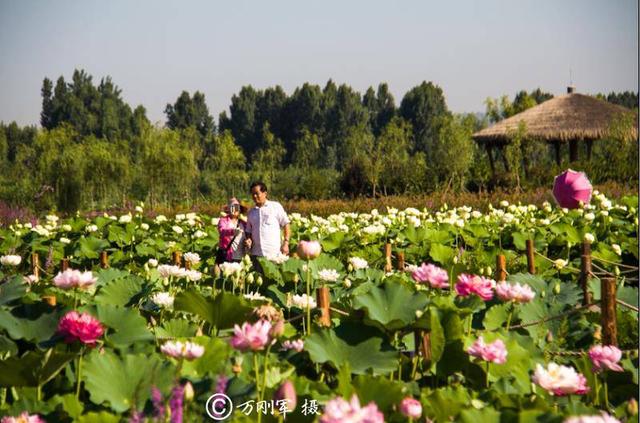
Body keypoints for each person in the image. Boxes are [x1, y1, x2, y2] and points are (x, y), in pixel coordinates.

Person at [244, 182, 291, 263]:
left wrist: (286, 243)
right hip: (256, 254)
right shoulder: (251, 213)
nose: (254, 196)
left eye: (257, 193)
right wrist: (248, 239)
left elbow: (286, 224)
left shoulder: (275, 207)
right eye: (252, 194)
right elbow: (248, 231)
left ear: (265, 193)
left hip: (273, 254)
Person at [216, 197, 248, 264]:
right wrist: (232, 231)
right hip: (227, 256)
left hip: (240, 257)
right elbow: (222, 231)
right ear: (229, 209)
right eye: (232, 207)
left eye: (237, 207)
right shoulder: (223, 221)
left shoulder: (244, 223)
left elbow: (248, 235)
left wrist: (247, 242)